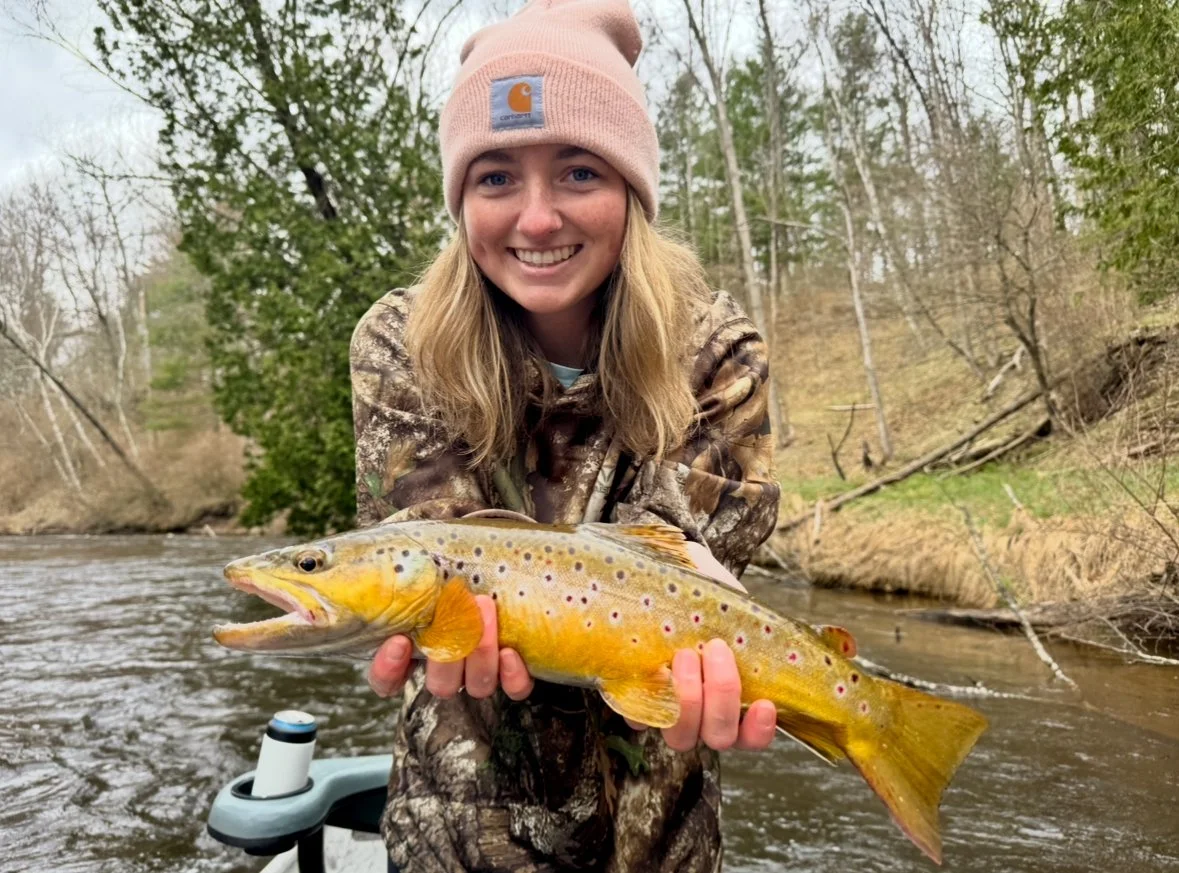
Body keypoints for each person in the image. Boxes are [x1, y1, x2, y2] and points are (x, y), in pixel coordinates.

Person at [350, 1, 781, 869]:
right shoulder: (400, 342)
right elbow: (436, 554)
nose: (537, 219)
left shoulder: (718, 355)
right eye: (496, 176)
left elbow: (685, 581)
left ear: (631, 188)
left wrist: (708, 586)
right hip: (457, 833)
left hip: (656, 838)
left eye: (579, 172)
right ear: (460, 197)